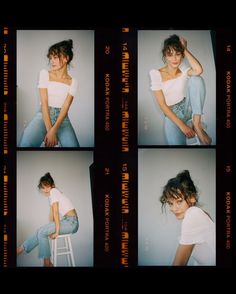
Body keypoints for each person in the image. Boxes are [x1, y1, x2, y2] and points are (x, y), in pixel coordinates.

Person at [150, 34, 212, 145]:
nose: (174, 58)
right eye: (170, 54)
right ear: (165, 55)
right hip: (172, 114)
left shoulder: (183, 69)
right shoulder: (155, 73)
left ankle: (196, 124)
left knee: (196, 79)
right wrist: (182, 126)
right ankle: (190, 125)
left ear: (182, 55)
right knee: (174, 145)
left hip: (187, 107)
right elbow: (162, 105)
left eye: (178, 54)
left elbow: (198, 70)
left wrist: (185, 49)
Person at [18, 39, 80, 147]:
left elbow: (65, 107)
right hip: (43, 115)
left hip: (63, 120)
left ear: (66, 58)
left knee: (75, 147)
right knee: (25, 144)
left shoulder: (73, 82)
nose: (51, 61)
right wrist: (49, 130)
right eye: (50, 58)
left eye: (55, 57)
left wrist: (53, 130)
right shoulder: (44, 74)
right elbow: (44, 102)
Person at [17, 172, 79, 267]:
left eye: (47, 186)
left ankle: (47, 263)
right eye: (43, 187)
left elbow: (56, 213)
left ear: (52, 185)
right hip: (67, 221)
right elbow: (51, 215)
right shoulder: (51, 196)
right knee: (41, 231)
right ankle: (21, 249)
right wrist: (50, 228)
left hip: (71, 222)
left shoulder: (54, 191)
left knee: (42, 231)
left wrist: (56, 231)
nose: (45, 189)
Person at [160, 170, 215, 266]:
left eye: (179, 201)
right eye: (170, 203)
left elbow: (179, 264)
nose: (174, 208)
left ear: (192, 197)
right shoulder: (201, 214)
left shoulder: (193, 214)